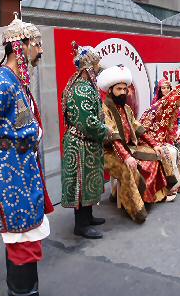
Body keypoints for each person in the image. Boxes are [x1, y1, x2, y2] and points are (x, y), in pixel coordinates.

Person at [0, 14, 54, 296]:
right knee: (20, 234)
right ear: (21, 46)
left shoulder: (17, 81)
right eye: (36, 44)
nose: (40, 50)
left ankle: (27, 289)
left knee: (24, 232)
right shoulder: (1, 84)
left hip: (23, 166)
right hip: (10, 169)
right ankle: (23, 292)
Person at [99, 65, 167, 224]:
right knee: (129, 167)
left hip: (130, 147)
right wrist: (126, 156)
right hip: (109, 152)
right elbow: (113, 136)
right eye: (119, 89)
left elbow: (138, 127)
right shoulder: (104, 110)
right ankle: (136, 209)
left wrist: (154, 143)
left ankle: (147, 198)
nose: (123, 92)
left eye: (125, 88)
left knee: (155, 157)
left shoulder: (126, 108)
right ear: (110, 90)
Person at [61, 42, 109, 239]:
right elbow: (87, 122)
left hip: (85, 143)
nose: (99, 69)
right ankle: (80, 225)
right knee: (81, 184)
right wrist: (106, 131)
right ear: (89, 68)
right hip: (81, 144)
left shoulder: (81, 84)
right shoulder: (82, 90)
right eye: (96, 65)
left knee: (88, 182)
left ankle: (87, 217)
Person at [140, 79, 180, 194]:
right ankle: (170, 185)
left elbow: (177, 122)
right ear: (159, 90)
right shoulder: (156, 105)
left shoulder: (173, 103)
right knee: (170, 153)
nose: (166, 90)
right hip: (158, 138)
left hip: (172, 134)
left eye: (168, 87)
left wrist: (179, 134)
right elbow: (149, 125)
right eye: (163, 88)